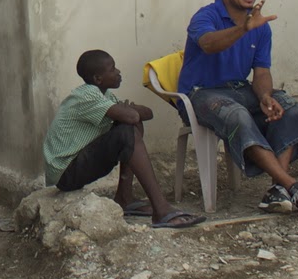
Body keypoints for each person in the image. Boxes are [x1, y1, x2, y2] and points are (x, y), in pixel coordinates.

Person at [183, 0, 298, 219]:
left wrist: (264, 97)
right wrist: (243, 28)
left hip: (239, 90)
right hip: (201, 93)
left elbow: (261, 72)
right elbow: (208, 44)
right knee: (238, 115)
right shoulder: (205, 16)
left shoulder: (261, 25)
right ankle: (293, 187)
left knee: (287, 107)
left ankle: (277, 190)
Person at [42, 49, 205, 228]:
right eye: (112, 69)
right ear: (98, 79)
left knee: (129, 126)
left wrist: (128, 110)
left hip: (76, 165)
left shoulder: (105, 96)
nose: (118, 72)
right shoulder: (87, 95)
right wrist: (128, 110)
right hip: (66, 172)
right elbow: (132, 116)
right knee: (127, 129)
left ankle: (125, 197)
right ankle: (162, 210)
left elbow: (147, 113)